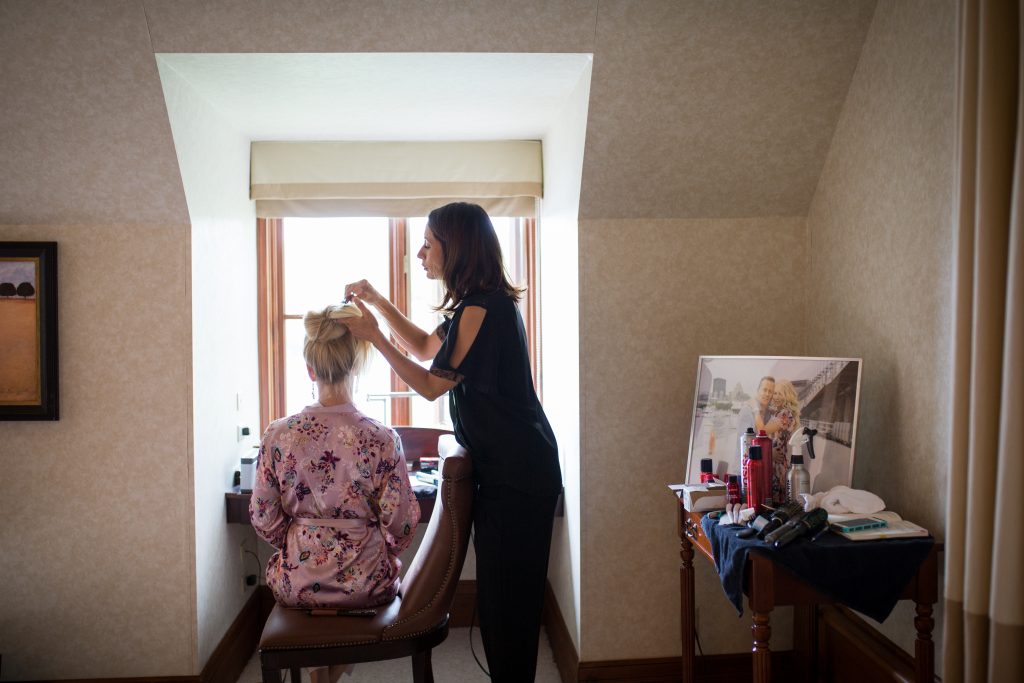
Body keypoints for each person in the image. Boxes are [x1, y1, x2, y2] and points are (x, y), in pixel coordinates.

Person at [343, 201, 561, 682]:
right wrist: (378, 301)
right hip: (508, 469)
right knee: (500, 600)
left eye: (428, 243)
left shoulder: (483, 309)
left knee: (508, 605)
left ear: (455, 247)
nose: (420, 254)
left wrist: (373, 336)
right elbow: (425, 347)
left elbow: (429, 385)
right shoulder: (474, 305)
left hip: (519, 475)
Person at [249, 302, 420, 611]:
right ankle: (339, 661)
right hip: (367, 584)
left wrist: (302, 539)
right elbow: (402, 526)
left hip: (296, 582)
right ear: (355, 365)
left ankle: (324, 661)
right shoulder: (382, 439)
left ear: (310, 369)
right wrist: (372, 544)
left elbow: (264, 518)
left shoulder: (278, 435)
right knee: (367, 591)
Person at [766, 379, 802, 503]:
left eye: (780, 394)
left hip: (778, 463)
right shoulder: (779, 413)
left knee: (776, 499)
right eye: (774, 393)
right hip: (776, 460)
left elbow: (762, 432)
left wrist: (755, 411)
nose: (775, 397)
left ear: (787, 395)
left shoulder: (785, 414)